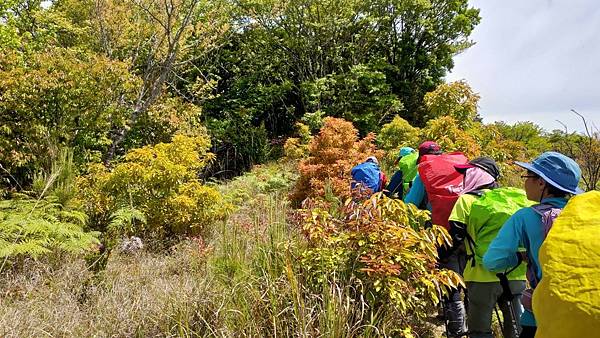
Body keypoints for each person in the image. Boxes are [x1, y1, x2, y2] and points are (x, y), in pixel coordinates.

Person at [483, 151, 583, 338]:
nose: (524, 181)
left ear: (541, 182)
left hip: (540, 316)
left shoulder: (525, 217)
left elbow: (492, 261)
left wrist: (520, 257)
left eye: (527, 176)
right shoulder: (584, 215)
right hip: (584, 311)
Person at [445, 157, 530, 338]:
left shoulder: (466, 200)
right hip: (516, 273)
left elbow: (455, 237)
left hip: (481, 275)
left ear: (478, 174)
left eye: (467, 172)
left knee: (479, 330)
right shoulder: (514, 199)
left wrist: (442, 261)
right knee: (516, 328)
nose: (464, 177)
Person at [405, 141, 469, 337]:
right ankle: (475, 328)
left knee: (449, 283)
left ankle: (456, 331)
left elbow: (410, 204)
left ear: (421, 156)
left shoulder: (424, 173)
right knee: (470, 280)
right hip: (469, 231)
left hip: (442, 234)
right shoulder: (461, 168)